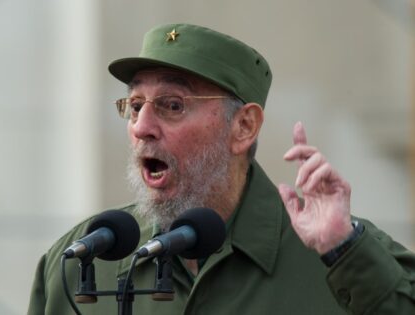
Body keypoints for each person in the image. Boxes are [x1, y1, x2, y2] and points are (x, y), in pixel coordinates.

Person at [28, 23, 415, 315]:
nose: (142, 127)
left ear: (243, 127)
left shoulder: (341, 255)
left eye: (172, 105)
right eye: (134, 106)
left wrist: (346, 252)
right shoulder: (80, 261)